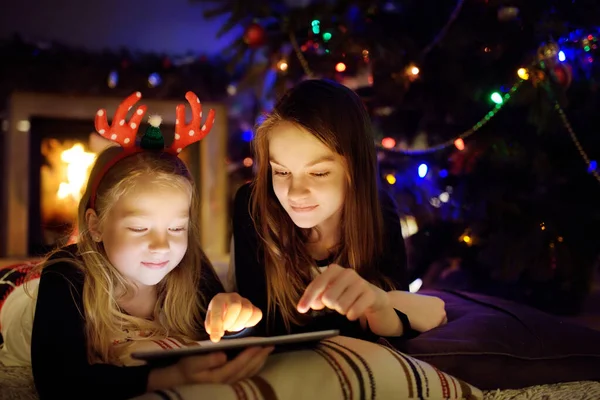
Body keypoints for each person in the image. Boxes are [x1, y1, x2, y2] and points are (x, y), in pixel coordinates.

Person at [0, 92, 270, 400]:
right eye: (140, 228)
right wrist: (169, 376)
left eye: (177, 228)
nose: (162, 246)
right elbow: (58, 382)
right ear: (96, 226)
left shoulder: (188, 265)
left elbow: (221, 338)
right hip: (17, 290)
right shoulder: (65, 274)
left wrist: (235, 319)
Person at [208, 79, 447, 343]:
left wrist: (380, 305)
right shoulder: (253, 206)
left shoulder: (379, 211)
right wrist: (234, 314)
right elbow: (262, 326)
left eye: (318, 173)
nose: (295, 192)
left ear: (354, 172)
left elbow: (399, 324)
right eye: (282, 171)